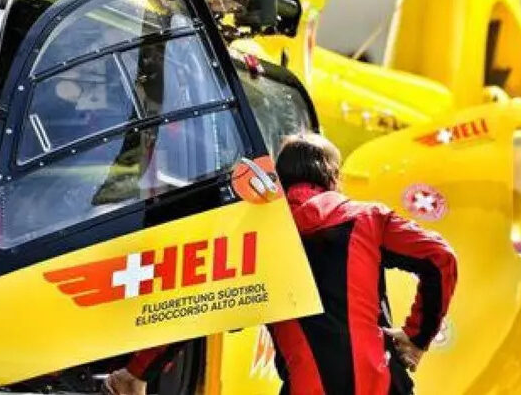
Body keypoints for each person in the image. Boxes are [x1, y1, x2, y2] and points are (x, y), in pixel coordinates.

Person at [105, 133, 457, 395]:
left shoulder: (257, 235)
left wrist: (137, 372)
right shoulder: (369, 218)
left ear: (279, 178)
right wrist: (417, 337)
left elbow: (197, 305)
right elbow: (441, 258)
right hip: (383, 384)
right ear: (333, 178)